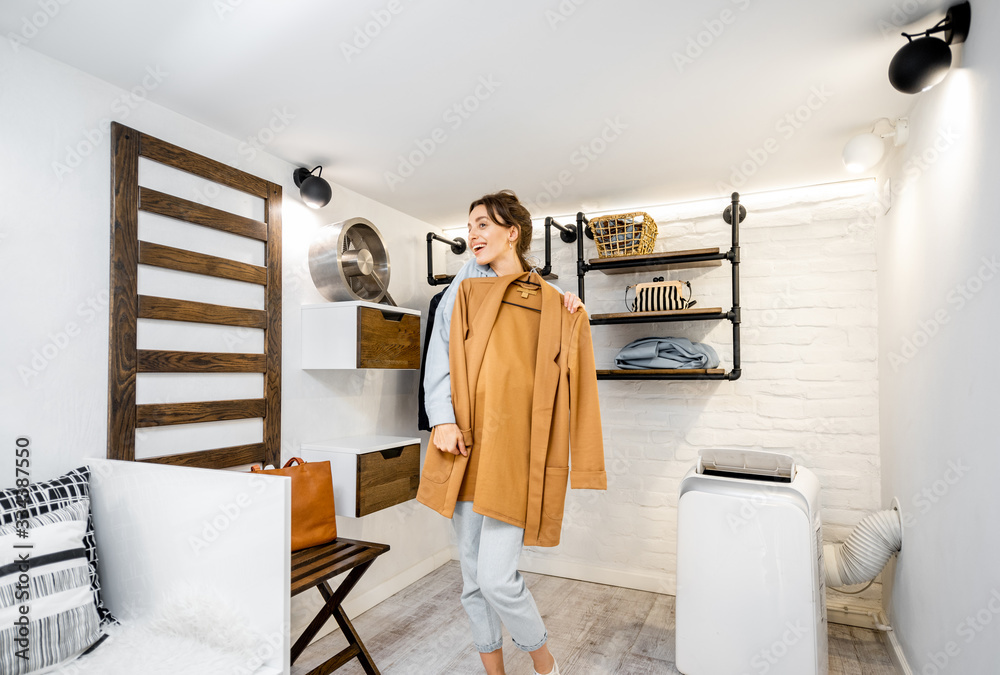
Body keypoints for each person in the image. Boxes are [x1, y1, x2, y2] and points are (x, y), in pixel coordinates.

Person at [421, 190, 586, 675]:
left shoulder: (546, 298)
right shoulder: (460, 292)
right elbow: (439, 356)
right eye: (469, 226)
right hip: (466, 444)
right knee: (472, 578)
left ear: (511, 232)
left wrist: (572, 311)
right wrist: (442, 418)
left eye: (483, 225)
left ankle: (544, 664)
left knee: (496, 578)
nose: (472, 234)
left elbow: (562, 361)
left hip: (513, 451)